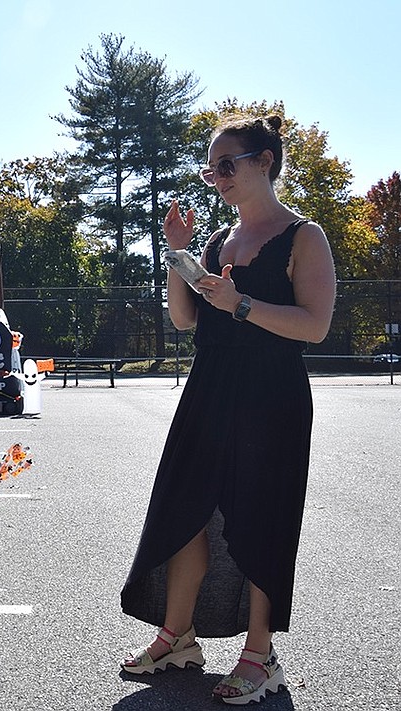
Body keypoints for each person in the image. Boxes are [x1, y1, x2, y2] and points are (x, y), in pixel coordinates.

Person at [119, 114, 336, 706]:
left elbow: (314, 326)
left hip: (272, 395)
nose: (216, 177)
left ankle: (260, 657)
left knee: (262, 516)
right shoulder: (216, 242)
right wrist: (177, 255)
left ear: (265, 161)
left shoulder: (303, 237)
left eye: (227, 165)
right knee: (183, 508)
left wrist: (241, 303)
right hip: (208, 389)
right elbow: (187, 319)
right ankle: (178, 636)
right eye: (211, 168)